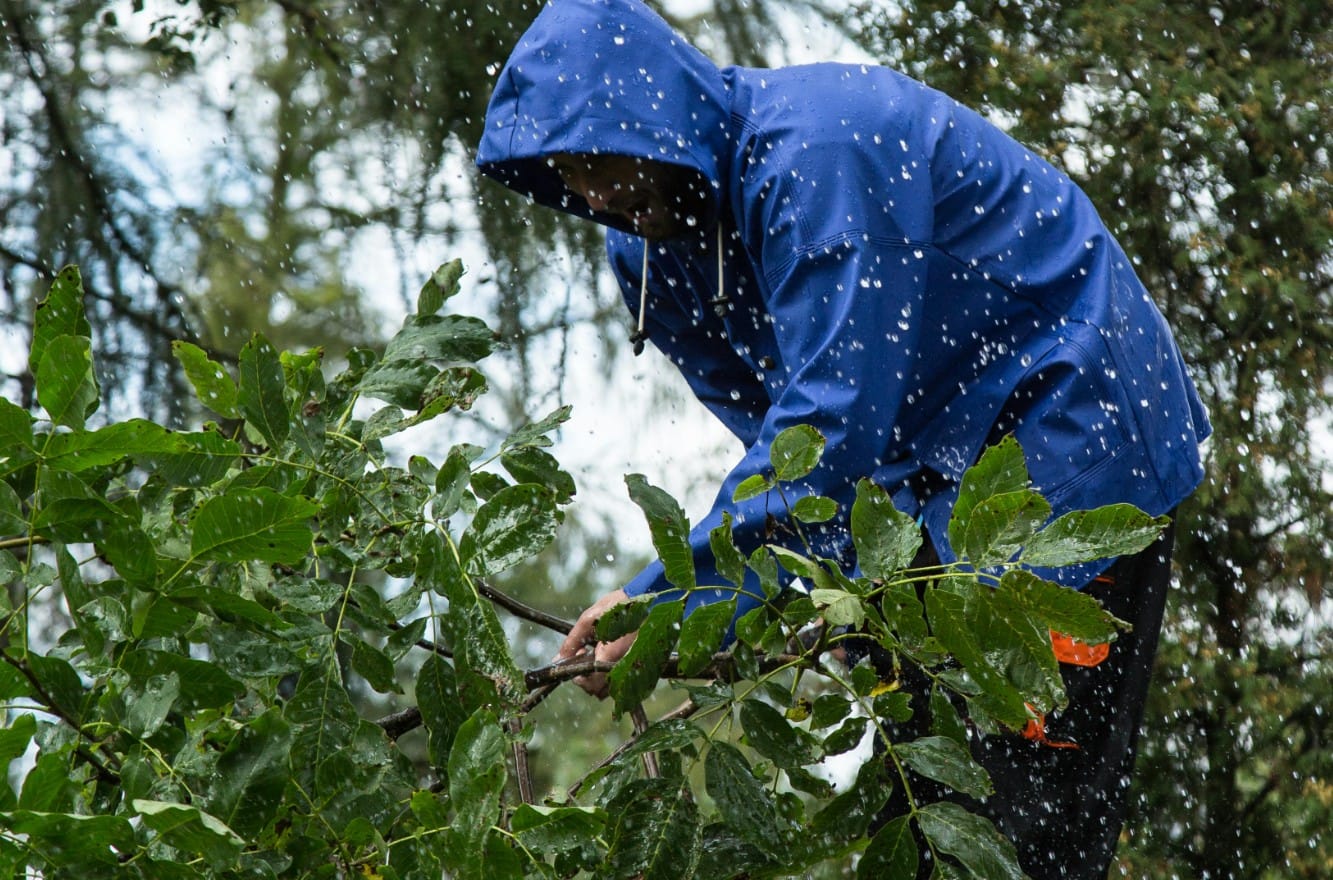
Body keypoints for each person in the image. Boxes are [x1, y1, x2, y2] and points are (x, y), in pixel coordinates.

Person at [476, 1, 1211, 876]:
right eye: (571, 175)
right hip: (927, 476)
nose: (596, 195)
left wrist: (675, 599)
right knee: (929, 794)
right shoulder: (649, 255)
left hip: (1069, 432)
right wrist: (786, 585)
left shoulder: (819, 153)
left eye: (602, 161)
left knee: (1022, 818)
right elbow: (781, 447)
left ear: (655, 118)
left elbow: (829, 427)